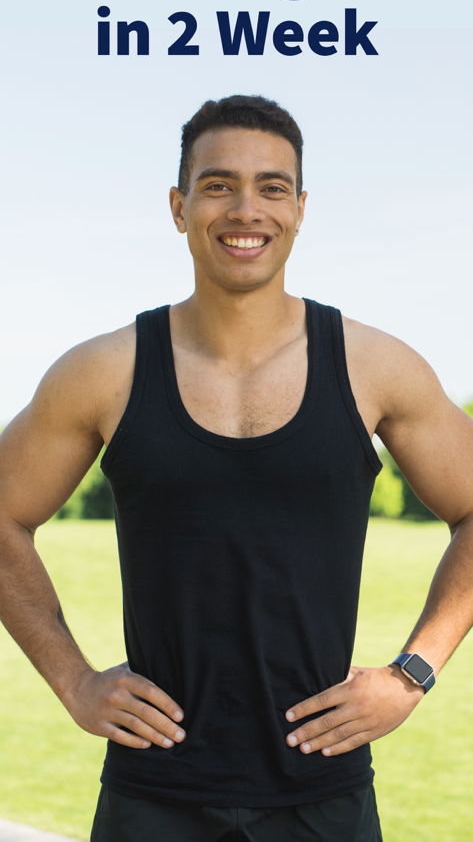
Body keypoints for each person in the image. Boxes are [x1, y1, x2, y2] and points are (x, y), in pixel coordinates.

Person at [1, 95, 473, 842]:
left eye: (271, 187)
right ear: (178, 206)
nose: (245, 209)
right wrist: (74, 680)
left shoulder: (375, 366)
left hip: (322, 790)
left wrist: (411, 672)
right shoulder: (104, 371)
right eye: (217, 185)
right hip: (153, 792)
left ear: (300, 208)